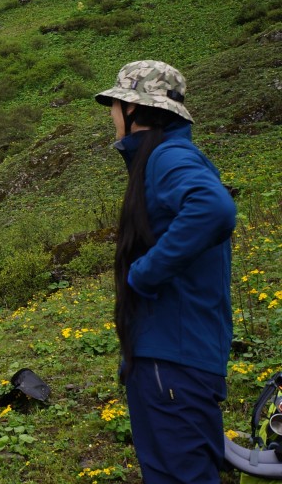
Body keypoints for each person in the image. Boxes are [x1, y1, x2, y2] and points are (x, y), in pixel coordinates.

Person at [96, 60, 236, 484]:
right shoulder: (165, 156)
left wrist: (143, 275)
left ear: (134, 111)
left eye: (116, 104)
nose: (111, 115)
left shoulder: (167, 156)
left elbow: (213, 209)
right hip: (177, 356)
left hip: (170, 360)